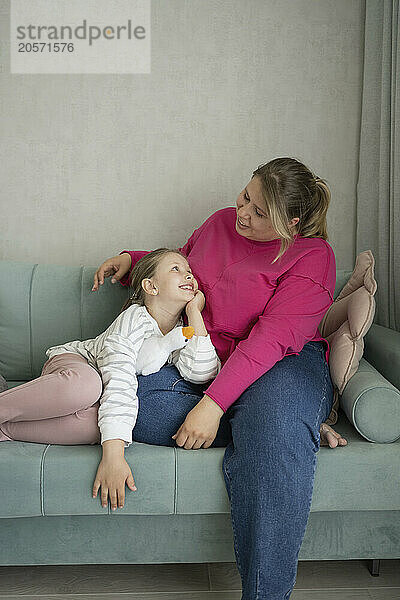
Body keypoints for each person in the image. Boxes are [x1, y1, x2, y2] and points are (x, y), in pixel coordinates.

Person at [91, 157, 348, 600]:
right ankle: (285, 428)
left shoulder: (314, 258)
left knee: (272, 423)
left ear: (291, 223)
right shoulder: (220, 222)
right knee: (129, 398)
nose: (242, 213)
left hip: (281, 363)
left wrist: (212, 406)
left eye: (259, 212)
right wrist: (133, 262)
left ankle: (281, 426)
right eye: (245, 196)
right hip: (203, 358)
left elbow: (269, 341)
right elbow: (185, 268)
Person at [0, 249, 223, 500]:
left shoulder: (180, 332)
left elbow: (202, 373)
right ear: (151, 286)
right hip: (76, 365)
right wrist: (114, 456)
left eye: (190, 272)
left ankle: (6, 429)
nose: (189, 276)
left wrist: (195, 313)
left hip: (95, 398)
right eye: (176, 269)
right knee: (86, 386)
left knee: (94, 426)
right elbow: (120, 378)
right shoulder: (134, 319)